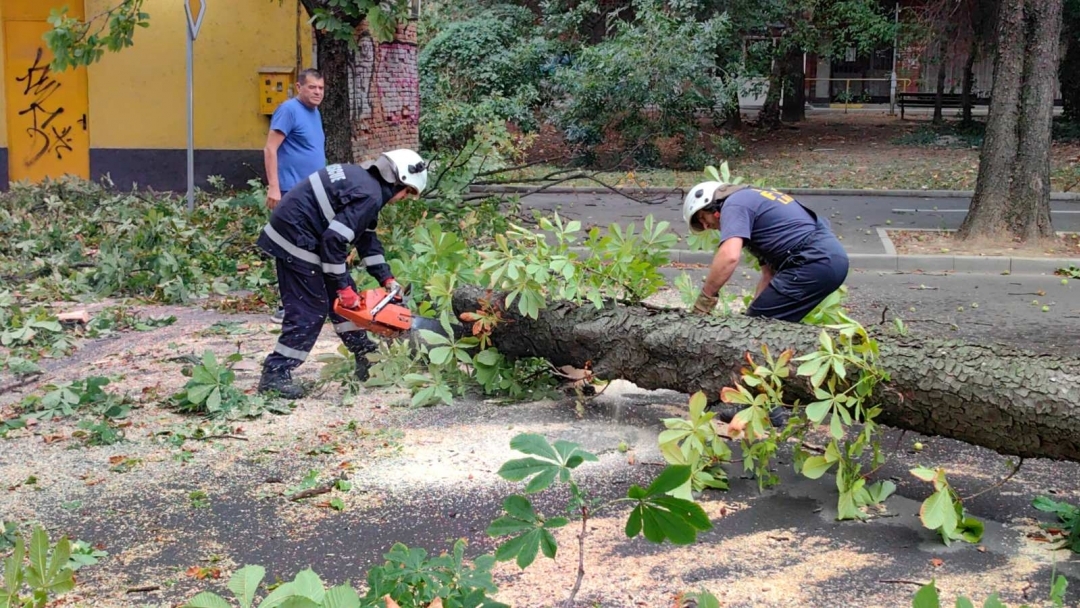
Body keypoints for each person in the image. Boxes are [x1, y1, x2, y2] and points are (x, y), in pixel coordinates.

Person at [255, 150, 428, 399]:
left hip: (303, 234)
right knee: (311, 309)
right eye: (407, 192)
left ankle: (366, 356)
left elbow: (366, 240)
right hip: (297, 238)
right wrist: (343, 286)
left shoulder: (364, 183)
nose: (403, 199)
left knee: (345, 303)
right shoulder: (369, 195)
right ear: (399, 181)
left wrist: (386, 278)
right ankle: (276, 374)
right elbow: (334, 241)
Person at [682, 181, 849, 323]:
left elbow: (729, 257)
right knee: (766, 326)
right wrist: (751, 318)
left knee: (758, 334)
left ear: (713, 206)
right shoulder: (754, 201)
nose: (705, 226)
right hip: (827, 260)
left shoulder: (734, 204)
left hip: (812, 261)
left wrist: (704, 301)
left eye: (703, 218)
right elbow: (768, 275)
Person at [263, 68, 327, 323]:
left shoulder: (315, 112)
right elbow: (270, 148)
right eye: (312, 87)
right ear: (299, 87)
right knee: (291, 247)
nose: (317, 92)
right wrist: (274, 187)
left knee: (311, 246)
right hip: (290, 191)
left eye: (321, 88)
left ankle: (308, 301)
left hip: (312, 192)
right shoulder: (289, 110)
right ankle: (287, 307)